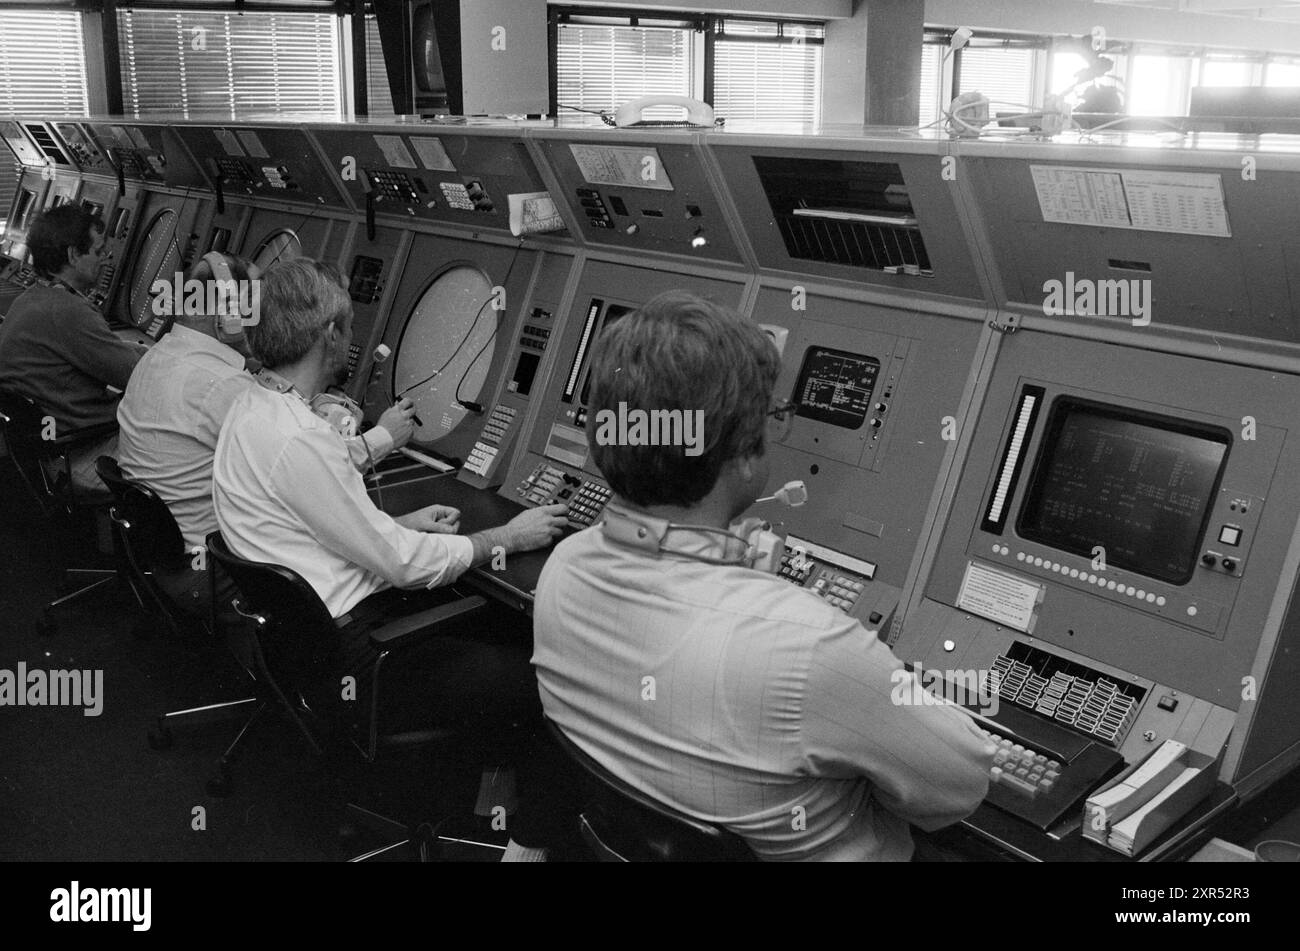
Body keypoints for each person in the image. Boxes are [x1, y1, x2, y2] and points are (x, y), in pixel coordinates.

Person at [532, 291, 995, 862]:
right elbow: (959, 786)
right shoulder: (813, 646)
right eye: (771, 416)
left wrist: (738, 588)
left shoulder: (565, 567)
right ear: (746, 454)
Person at [212, 257, 570, 859]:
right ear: (330, 334)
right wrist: (506, 536)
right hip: (365, 655)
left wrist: (395, 525)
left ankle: (489, 793)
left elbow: (311, 528)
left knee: (493, 619)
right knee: (545, 676)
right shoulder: (300, 436)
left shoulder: (252, 410)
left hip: (304, 645)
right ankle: (525, 844)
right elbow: (403, 565)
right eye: (349, 326)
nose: (353, 338)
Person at [116, 251, 417, 617]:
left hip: (161, 555)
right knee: (368, 563)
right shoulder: (222, 386)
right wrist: (386, 435)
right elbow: (313, 459)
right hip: (207, 570)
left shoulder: (158, 355)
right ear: (230, 316)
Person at [0, 204, 143, 492]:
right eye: (99, 251)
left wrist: (134, 351)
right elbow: (138, 377)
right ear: (73, 255)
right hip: (76, 454)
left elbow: (96, 348)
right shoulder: (67, 311)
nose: (106, 259)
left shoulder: (32, 299)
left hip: (39, 451)